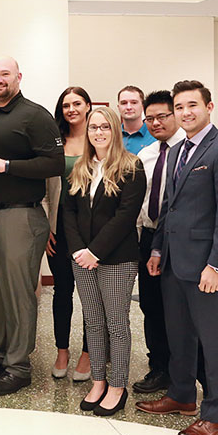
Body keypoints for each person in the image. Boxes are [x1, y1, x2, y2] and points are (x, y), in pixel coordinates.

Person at [137, 80, 218, 435]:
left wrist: (217, 265)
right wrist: (156, 251)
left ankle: (216, 416)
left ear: (209, 107)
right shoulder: (181, 149)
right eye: (180, 107)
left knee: (212, 341)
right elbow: (170, 205)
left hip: (206, 268)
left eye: (192, 106)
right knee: (179, 336)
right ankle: (182, 395)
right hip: (172, 262)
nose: (185, 113)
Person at [0, 56, 63, 396]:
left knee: (18, 292)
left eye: (4, 74)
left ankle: (19, 366)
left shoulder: (35, 115)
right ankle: (0, 355)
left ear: (18, 77)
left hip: (20, 216)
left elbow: (53, 162)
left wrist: (7, 166)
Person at [64, 107, 146, 416]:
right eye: (93, 127)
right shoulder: (81, 167)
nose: (98, 132)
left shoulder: (131, 167)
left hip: (116, 259)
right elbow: (68, 212)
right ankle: (98, 381)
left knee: (116, 323)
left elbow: (125, 217)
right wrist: (77, 251)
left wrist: (94, 252)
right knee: (93, 322)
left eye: (105, 127)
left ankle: (117, 386)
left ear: (115, 130)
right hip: (81, 259)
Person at [133, 90, 185, 395]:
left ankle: (183, 370)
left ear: (175, 115)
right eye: (149, 118)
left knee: (178, 308)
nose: (155, 122)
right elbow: (141, 201)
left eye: (161, 116)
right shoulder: (147, 154)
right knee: (151, 305)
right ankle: (159, 367)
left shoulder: (190, 151)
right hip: (150, 236)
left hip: (177, 239)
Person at [48, 87, 92, 382]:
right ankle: (62, 350)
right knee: (62, 291)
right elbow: (46, 188)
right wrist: (48, 227)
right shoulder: (54, 141)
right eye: (66, 105)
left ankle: (89, 353)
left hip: (92, 229)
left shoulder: (100, 137)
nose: (71, 109)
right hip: (59, 228)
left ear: (88, 106)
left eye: (77, 103)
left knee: (91, 295)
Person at [118, 85, 153, 154]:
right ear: (118, 107)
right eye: (124, 103)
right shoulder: (112, 135)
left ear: (143, 107)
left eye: (134, 102)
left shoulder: (154, 134)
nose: (128, 107)